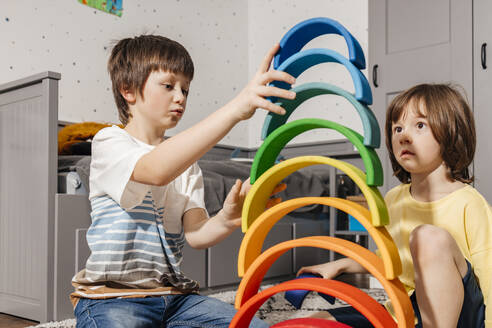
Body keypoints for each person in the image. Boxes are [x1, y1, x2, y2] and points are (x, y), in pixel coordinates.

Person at [70, 34, 296, 328]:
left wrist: (227, 219)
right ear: (128, 90)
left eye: (185, 90)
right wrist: (235, 109)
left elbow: (197, 234)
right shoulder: (110, 141)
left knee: (253, 326)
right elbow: (156, 170)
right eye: (168, 86)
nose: (180, 97)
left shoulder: (187, 166)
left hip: (176, 298)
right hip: (112, 298)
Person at [297, 84, 492, 328]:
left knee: (426, 237)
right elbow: (389, 259)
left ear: (451, 133)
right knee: (311, 323)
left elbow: (489, 274)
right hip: (406, 310)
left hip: (462, 316)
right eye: (397, 128)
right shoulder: (393, 199)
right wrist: (339, 264)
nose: (403, 135)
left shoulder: (469, 203)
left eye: (420, 125)